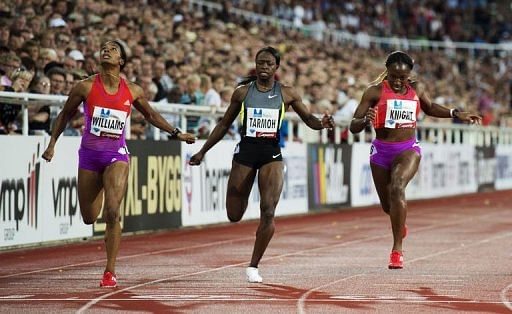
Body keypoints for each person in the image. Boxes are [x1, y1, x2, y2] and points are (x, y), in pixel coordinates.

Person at [41, 40, 196, 288]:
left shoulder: (132, 90)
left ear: (121, 61)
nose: (106, 50)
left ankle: (109, 272)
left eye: (113, 49)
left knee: (113, 211)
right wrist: (52, 144)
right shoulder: (85, 86)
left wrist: (176, 132)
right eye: (103, 47)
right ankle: (102, 185)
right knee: (89, 217)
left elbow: (151, 115)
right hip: (90, 156)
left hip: (117, 155)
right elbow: (64, 115)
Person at [189, 46, 335, 283]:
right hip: (245, 152)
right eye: (260, 63)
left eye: (268, 63)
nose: (264, 67)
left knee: (268, 210)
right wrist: (203, 151)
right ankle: (243, 196)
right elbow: (224, 124)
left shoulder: (287, 93)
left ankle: (253, 265)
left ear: (276, 67)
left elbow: (309, 120)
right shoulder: (242, 93)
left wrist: (322, 123)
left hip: (271, 154)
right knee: (234, 214)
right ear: (255, 66)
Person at [349, 51, 481, 269]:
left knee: (398, 186)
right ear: (387, 72)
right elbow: (353, 125)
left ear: (409, 74)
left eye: (403, 77)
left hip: (407, 148)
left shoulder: (416, 88)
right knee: (387, 206)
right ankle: (399, 221)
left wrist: (455, 113)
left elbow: (429, 107)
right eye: (394, 77)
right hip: (381, 151)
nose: (399, 82)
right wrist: (365, 120)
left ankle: (397, 250)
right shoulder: (374, 92)